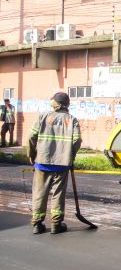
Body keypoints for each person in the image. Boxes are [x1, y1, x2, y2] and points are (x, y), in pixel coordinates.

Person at [27, 92, 82, 235]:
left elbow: (31, 137)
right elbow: (77, 140)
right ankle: (56, 224)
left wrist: (32, 154)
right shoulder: (72, 120)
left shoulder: (43, 116)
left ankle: (37, 224)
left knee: (39, 193)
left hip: (42, 162)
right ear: (67, 105)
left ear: (55, 103)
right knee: (58, 194)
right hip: (62, 164)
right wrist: (70, 156)